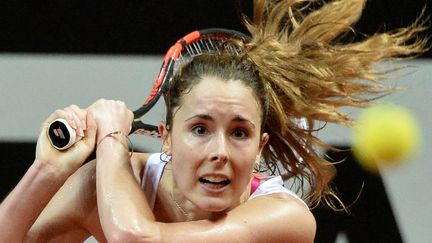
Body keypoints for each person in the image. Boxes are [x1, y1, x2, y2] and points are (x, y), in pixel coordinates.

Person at [0, 0, 428, 242]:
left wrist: (111, 137)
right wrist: (47, 170)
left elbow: (137, 239)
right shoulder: (111, 180)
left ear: (260, 149)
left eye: (239, 133)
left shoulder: (283, 219)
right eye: (200, 129)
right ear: (166, 138)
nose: (220, 152)